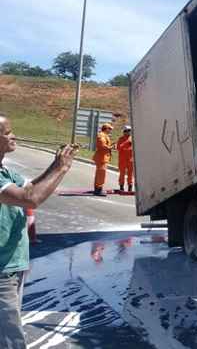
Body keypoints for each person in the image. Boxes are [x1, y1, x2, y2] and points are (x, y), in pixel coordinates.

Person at [0, 113, 76, 348]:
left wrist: (55, 164)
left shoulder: (6, 173)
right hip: (2, 271)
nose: (14, 135)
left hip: (13, 265)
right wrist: (61, 170)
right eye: (7, 132)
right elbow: (30, 199)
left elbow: (30, 187)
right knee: (11, 339)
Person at [92, 123, 113, 196]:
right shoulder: (101, 135)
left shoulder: (105, 135)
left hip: (103, 157)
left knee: (100, 173)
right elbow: (102, 145)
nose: (110, 130)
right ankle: (98, 189)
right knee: (101, 173)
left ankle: (97, 188)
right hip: (101, 157)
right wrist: (110, 147)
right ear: (106, 128)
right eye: (110, 129)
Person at [116, 125, 134, 193]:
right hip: (122, 159)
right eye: (126, 131)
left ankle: (130, 187)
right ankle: (121, 187)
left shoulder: (133, 138)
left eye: (129, 130)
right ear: (124, 131)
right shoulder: (120, 139)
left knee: (130, 174)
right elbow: (118, 148)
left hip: (130, 159)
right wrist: (126, 143)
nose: (128, 132)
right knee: (122, 174)